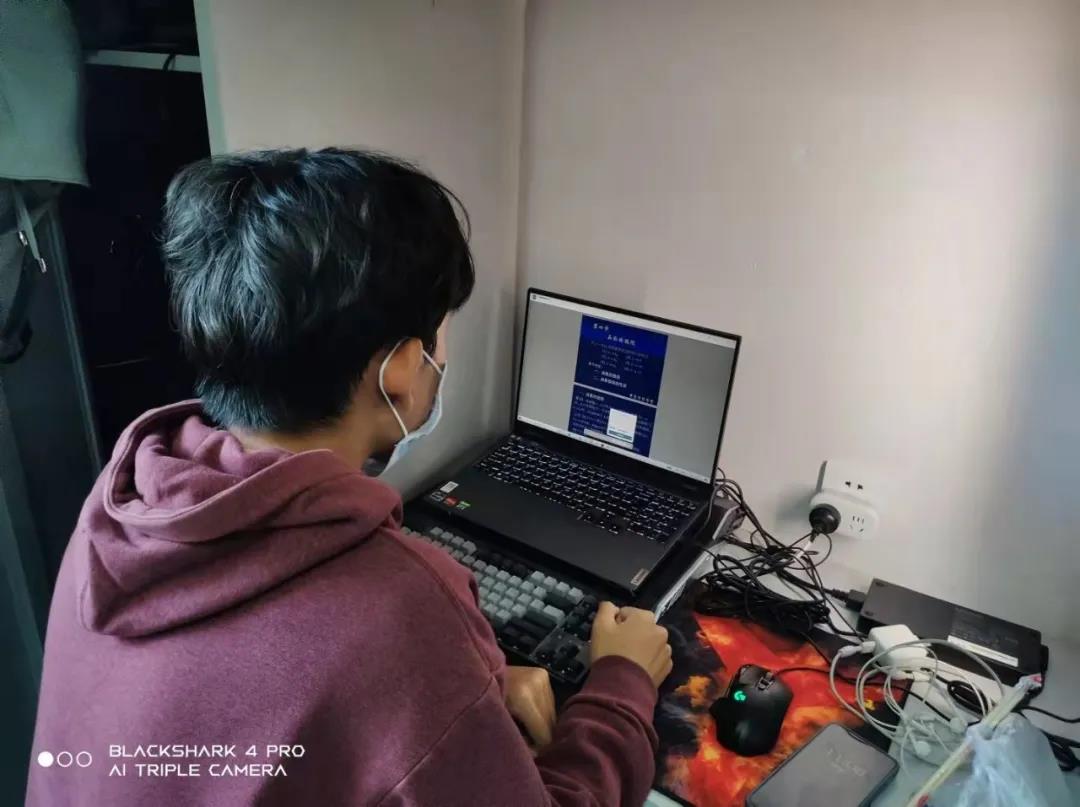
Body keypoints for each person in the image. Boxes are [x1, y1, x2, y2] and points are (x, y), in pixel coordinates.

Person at [27, 148, 672, 807]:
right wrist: (621, 686)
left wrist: (461, 692)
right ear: (401, 368)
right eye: (441, 333)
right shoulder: (403, 607)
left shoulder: (117, 515)